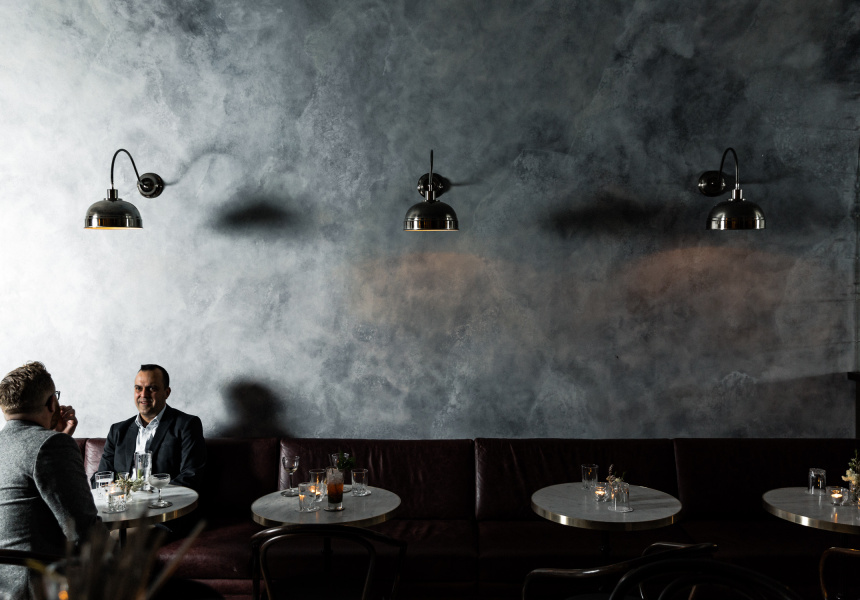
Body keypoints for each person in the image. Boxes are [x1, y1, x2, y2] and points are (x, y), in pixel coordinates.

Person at [0, 361, 108, 600]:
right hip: (39, 586)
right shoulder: (52, 445)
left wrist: (54, 436)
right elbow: (83, 531)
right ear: (52, 403)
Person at [95, 364, 206, 492]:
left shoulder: (187, 425)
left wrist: (151, 496)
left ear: (166, 393)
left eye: (152, 388)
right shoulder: (118, 431)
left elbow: (190, 476)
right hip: (121, 501)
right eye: (138, 388)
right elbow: (101, 477)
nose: (143, 394)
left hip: (163, 502)